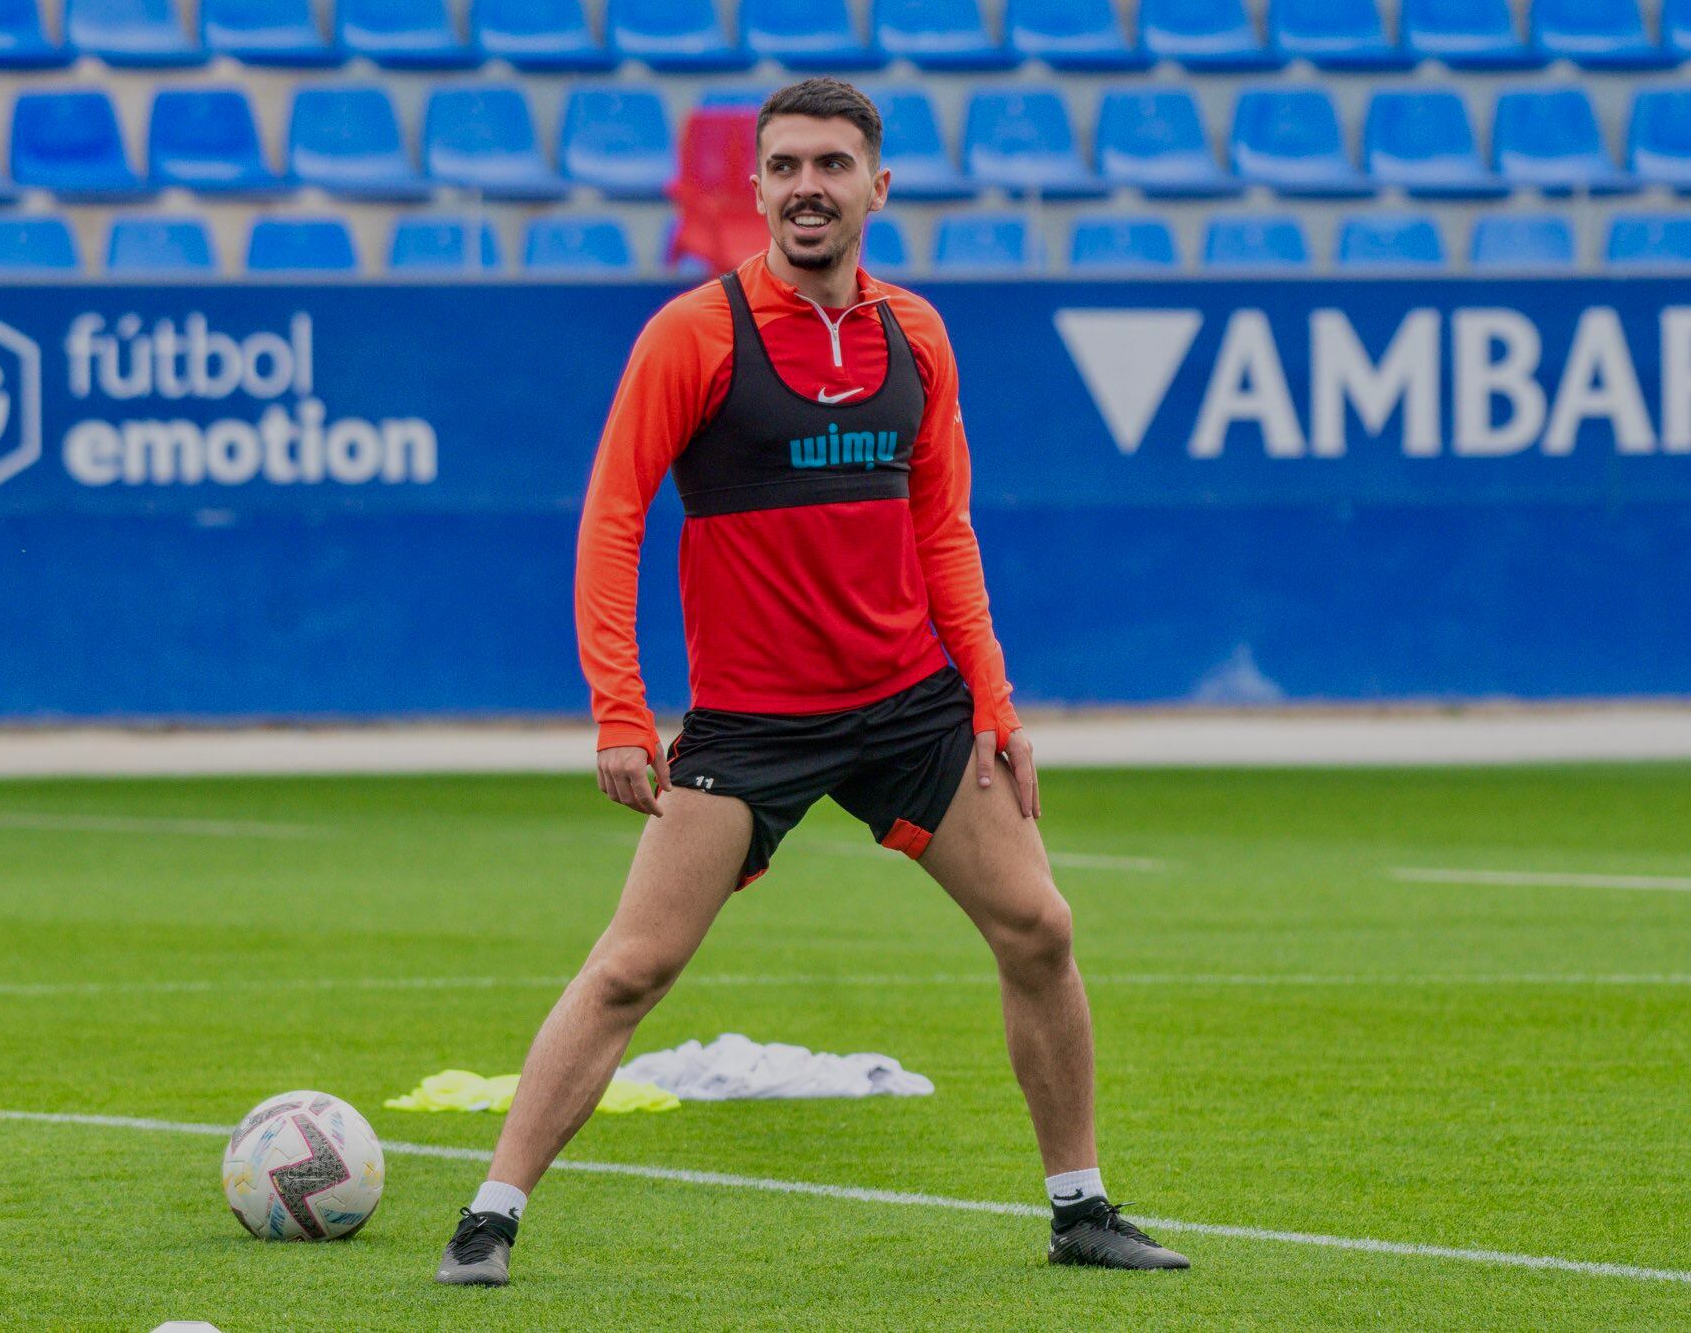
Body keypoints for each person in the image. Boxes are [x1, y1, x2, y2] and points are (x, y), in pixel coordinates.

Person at [435, 78, 1188, 1287]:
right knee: (632, 966)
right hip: (752, 722)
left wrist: (993, 703)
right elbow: (612, 517)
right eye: (783, 166)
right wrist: (619, 708)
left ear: (875, 187)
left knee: (1039, 928)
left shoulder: (915, 334)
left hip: (910, 706)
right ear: (755, 188)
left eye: (830, 165)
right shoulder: (694, 334)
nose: (806, 188)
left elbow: (943, 529)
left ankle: (1079, 1208)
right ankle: (489, 1216)